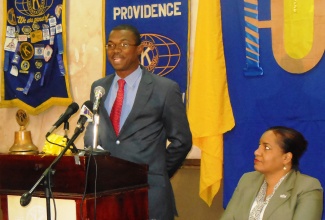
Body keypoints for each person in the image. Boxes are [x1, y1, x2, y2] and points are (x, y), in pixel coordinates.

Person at [84, 24, 192, 220]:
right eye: (110, 45)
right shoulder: (98, 87)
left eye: (124, 44)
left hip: (150, 195)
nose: (115, 50)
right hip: (106, 195)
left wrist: (155, 172)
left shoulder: (165, 89)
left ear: (140, 49)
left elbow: (182, 141)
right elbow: (92, 134)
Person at [221, 126, 323, 220]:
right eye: (259, 146)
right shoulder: (247, 180)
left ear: (286, 158)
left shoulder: (307, 188)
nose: (257, 152)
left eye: (267, 148)